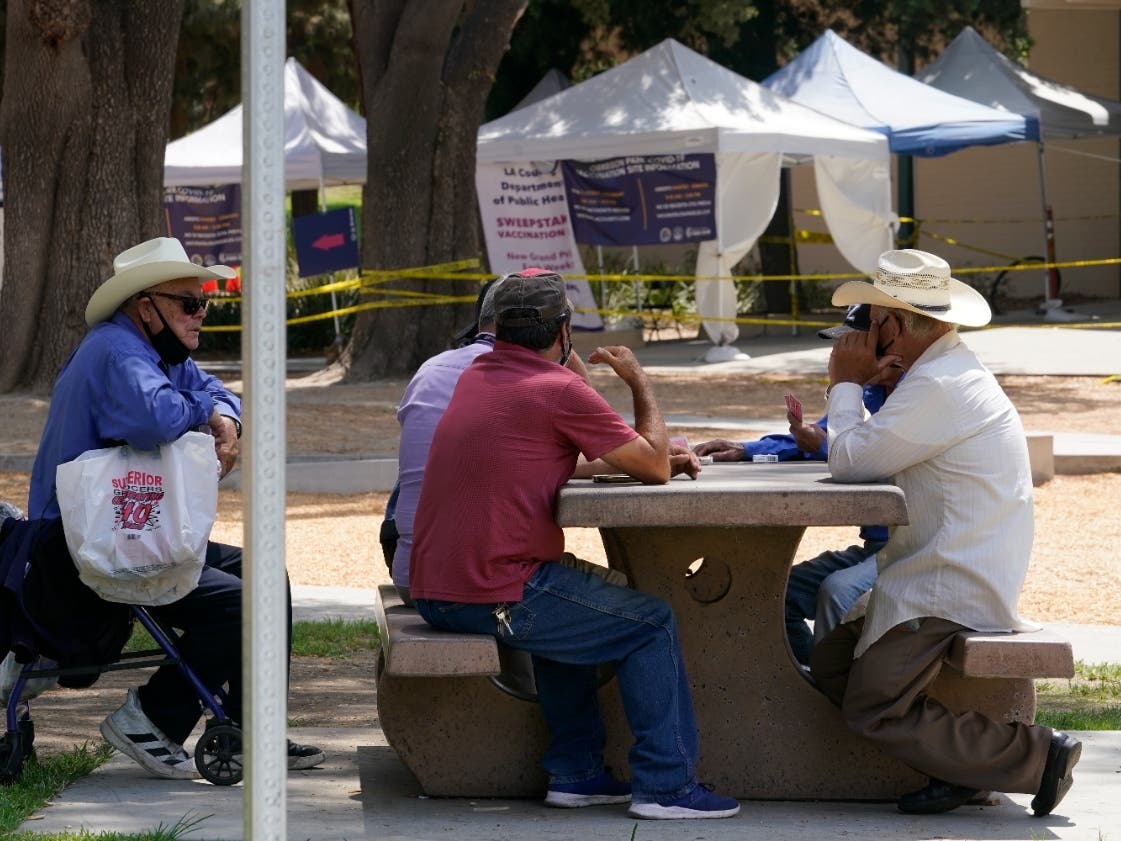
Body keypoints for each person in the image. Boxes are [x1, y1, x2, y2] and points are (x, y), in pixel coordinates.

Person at [409, 269, 739, 820]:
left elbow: (551, 452)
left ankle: (579, 772)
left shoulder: (481, 374)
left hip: (439, 586)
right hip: (490, 590)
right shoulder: (555, 388)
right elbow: (655, 466)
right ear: (563, 331)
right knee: (651, 623)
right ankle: (666, 786)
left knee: (570, 606)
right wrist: (638, 382)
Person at [28, 237, 323, 779]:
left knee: (266, 576)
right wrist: (209, 412)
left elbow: (213, 389)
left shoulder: (151, 349)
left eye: (205, 303)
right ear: (147, 307)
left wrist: (223, 415)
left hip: (124, 531)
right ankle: (153, 719)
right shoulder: (117, 352)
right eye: (189, 303)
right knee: (245, 603)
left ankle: (247, 731)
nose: (201, 314)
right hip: (80, 549)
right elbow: (158, 417)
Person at [811, 248, 1081, 818]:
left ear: (895, 322)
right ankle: (961, 769)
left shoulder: (938, 385)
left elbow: (850, 460)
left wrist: (845, 383)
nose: (863, 329)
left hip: (947, 580)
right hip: (936, 568)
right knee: (835, 663)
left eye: (873, 316)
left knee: (871, 706)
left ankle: (1036, 757)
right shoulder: (938, 373)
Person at [692, 304, 895, 665]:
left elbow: (868, 459)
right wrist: (748, 449)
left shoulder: (907, 400)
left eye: (852, 346)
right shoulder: (868, 395)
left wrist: (821, 438)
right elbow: (822, 435)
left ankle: (835, 701)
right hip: (873, 547)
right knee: (771, 595)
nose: (842, 355)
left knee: (837, 592)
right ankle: (809, 684)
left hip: (905, 550)